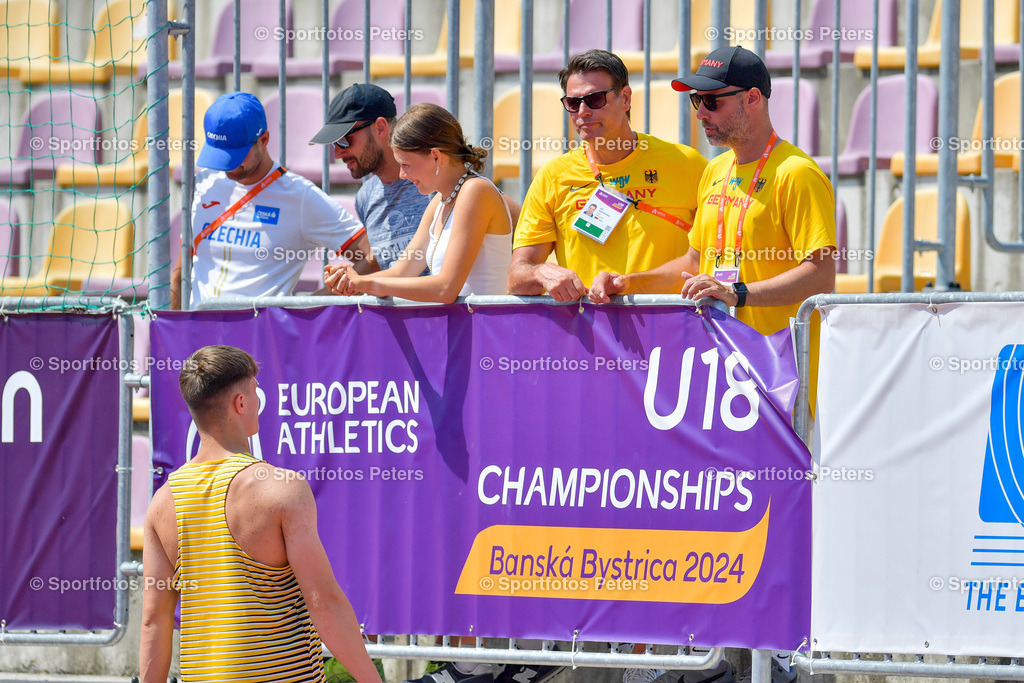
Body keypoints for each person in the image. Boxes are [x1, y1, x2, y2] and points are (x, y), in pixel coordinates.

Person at [138, 345, 381, 683]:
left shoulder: (162, 503)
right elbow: (324, 602)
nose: (257, 402)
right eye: (254, 392)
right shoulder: (282, 488)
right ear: (240, 403)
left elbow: (154, 619)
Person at [588, 45, 836, 339]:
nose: (700, 113)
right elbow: (694, 262)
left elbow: (821, 275)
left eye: (711, 100)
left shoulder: (796, 172)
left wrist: (736, 293)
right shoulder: (715, 170)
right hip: (724, 357)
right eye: (697, 100)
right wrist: (631, 283)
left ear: (752, 98)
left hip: (781, 364)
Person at [508, 49, 708, 301]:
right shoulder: (552, 176)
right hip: (590, 330)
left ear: (625, 98)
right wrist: (541, 271)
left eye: (595, 99)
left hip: (667, 322)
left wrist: (628, 284)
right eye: (573, 103)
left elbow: (711, 256)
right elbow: (516, 277)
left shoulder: (686, 164)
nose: (582, 111)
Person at [170, 91, 377, 309]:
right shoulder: (203, 183)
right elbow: (180, 273)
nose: (228, 165)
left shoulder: (300, 196)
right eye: (220, 154)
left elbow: (372, 258)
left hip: (256, 338)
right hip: (201, 336)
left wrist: (307, 307)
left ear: (264, 140)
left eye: (236, 155)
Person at [324, 103, 514, 304]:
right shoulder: (439, 203)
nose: (402, 175)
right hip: (462, 330)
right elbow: (400, 273)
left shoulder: (476, 190)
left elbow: (445, 289)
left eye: (406, 165)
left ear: (435, 156)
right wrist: (354, 280)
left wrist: (365, 284)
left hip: (484, 331)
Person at [310, 83, 434, 270]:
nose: (337, 154)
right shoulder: (366, 196)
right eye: (334, 143)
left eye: (344, 140)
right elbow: (383, 268)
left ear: (380, 128)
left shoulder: (435, 183)